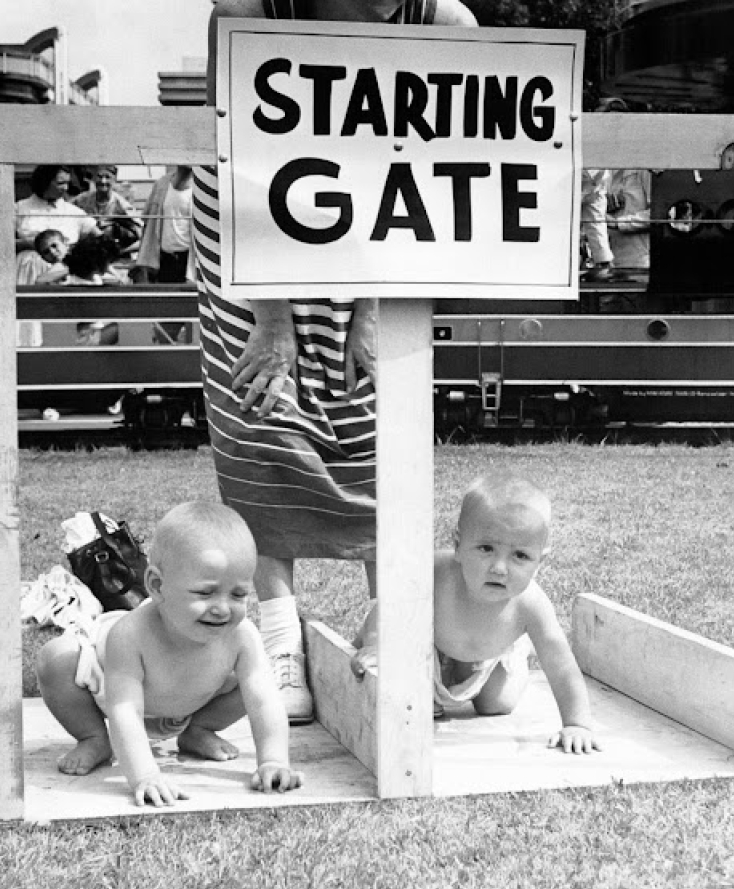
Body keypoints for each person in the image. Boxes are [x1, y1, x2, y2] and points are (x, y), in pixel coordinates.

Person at [195, 0, 479, 726]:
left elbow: (434, 167)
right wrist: (271, 314)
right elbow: (238, 153)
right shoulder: (246, 10)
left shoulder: (445, 24)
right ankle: (279, 638)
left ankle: (394, 630)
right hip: (252, 222)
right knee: (263, 414)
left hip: (384, 228)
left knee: (381, 425)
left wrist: (373, 309)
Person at [36, 501, 305, 807]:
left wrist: (273, 761)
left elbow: (265, 701)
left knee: (257, 679)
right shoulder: (130, 635)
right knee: (55, 658)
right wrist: (145, 775)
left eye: (238, 594)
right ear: (157, 586)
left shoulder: (241, 636)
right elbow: (124, 710)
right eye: (205, 593)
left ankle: (198, 730)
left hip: (191, 703)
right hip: (109, 694)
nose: (222, 608)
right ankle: (94, 737)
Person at [351, 472, 601, 754]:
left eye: (520, 555)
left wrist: (577, 723)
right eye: (486, 548)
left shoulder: (531, 603)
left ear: (540, 561)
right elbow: (389, 608)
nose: (499, 568)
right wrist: (377, 644)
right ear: (458, 546)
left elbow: (561, 665)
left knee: (497, 704)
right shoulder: (434, 574)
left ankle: (514, 657)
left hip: (488, 656)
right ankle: (430, 684)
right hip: (427, 648)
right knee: (410, 694)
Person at [132, 164, 194, 344]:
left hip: (190, 260)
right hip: (163, 258)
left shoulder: (203, 186)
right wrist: (143, 259)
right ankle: (166, 345)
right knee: (165, 310)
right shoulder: (162, 183)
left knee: (187, 310)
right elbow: (147, 221)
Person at [15, 165, 99, 253]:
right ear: (45, 182)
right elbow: (6, 242)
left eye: (67, 183)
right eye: (60, 183)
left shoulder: (74, 212)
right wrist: (29, 244)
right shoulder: (19, 208)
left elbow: (100, 237)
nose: (66, 188)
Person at [75, 165, 143, 257]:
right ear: (94, 178)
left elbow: (143, 237)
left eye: (107, 177)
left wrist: (122, 251)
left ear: (114, 180)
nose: (103, 181)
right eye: (99, 176)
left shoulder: (122, 205)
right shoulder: (82, 200)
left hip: (109, 255)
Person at [606, 168, 652, 278]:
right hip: (609, 261)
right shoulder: (604, 171)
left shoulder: (646, 170)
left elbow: (660, 214)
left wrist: (618, 223)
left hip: (638, 262)